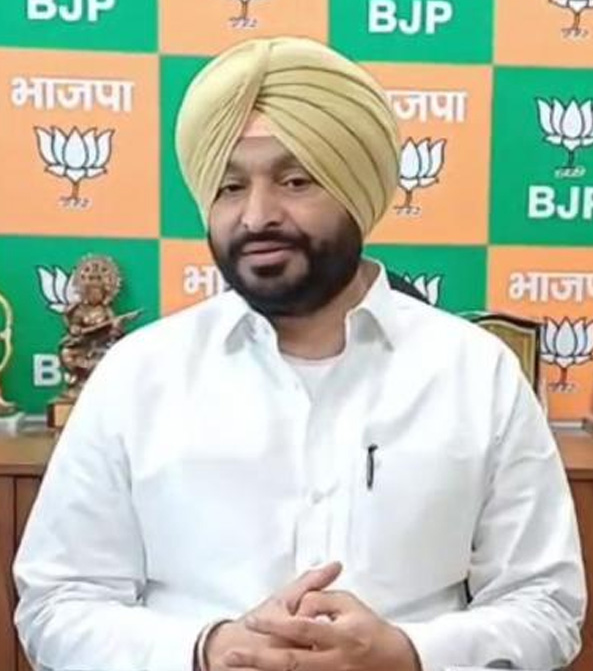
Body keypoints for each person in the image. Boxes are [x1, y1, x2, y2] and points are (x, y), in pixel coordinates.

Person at [13, 36, 586, 671]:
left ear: (357, 190)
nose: (257, 215)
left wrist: (409, 655)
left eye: (295, 180)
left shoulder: (478, 374)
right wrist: (207, 651)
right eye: (230, 186)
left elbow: (545, 604)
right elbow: (57, 603)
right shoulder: (138, 375)